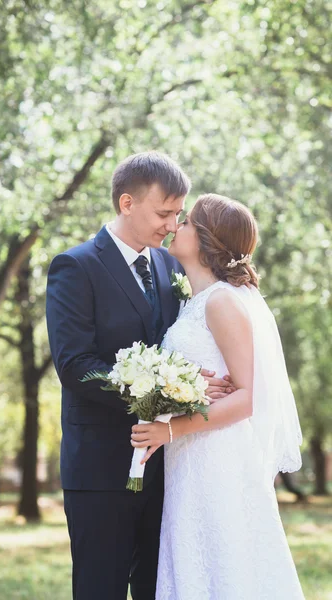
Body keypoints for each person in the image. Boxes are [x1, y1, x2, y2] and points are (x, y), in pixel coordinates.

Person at [46, 154, 233, 600]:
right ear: (127, 203)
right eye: (164, 212)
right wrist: (169, 391)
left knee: (161, 589)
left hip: (169, 470)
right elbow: (74, 364)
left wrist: (194, 381)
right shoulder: (76, 266)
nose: (172, 225)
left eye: (178, 214)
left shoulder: (172, 268)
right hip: (100, 468)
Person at [131, 193, 304, 600]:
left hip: (218, 456)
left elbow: (246, 399)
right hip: (192, 456)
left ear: (208, 241)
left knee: (226, 564)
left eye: (187, 221)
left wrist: (168, 431)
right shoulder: (195, 303)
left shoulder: (223, 302)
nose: (176, 225)